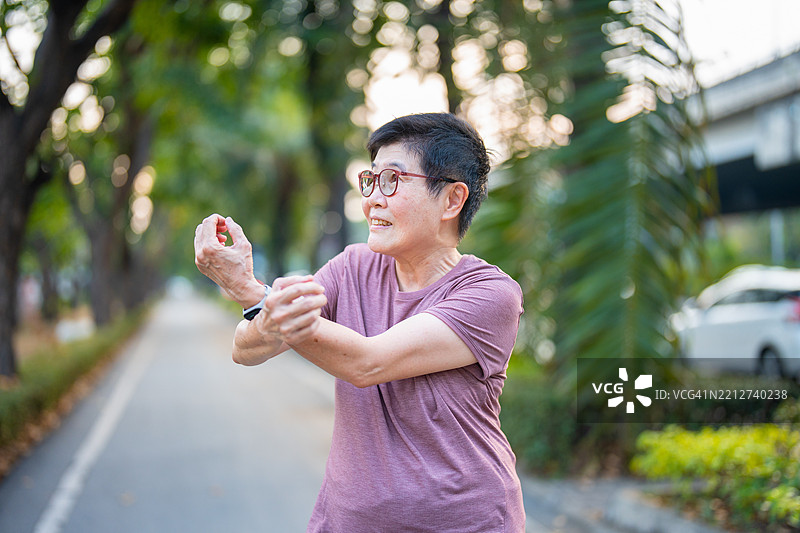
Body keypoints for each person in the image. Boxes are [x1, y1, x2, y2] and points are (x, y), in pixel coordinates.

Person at [194, 113, 525, 532]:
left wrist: (253, 293)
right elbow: (248, 348)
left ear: (452, 200)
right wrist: (254, 300)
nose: (372, 199)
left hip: (464, 522)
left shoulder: (489, 294)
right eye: (370, 181)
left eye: (392, 180)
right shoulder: (352, 267)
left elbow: (369, 363)